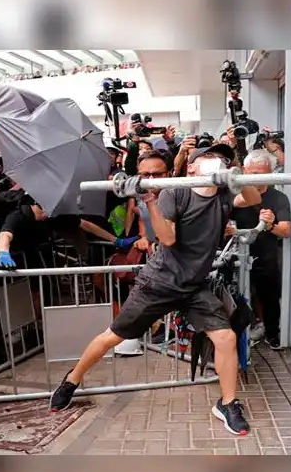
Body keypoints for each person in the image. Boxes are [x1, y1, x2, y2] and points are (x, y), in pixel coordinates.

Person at [48, 143, 263, 436]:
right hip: (159, 283)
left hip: (194, 286)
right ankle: (71, 380)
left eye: (220, 158)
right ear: (191, 168)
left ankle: (227, 403)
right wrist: (149, 200)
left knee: (225, 337)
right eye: (209, 157)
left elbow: (253, 198)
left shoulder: (224, 193)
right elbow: (168, 238)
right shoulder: (176, 193)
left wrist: (238, 176)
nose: (216, 161)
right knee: (113, 336)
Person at [226, 151, 291, 349]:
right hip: (234, 255)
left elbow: (286, 231)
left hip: (265, 255)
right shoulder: (232, 194)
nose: (257, 178)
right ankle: (235, 336)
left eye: (263, 174)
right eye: (253, 173)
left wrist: (270, 225)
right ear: (244, 171)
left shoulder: (278, 197)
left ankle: (272, 334)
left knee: (269, 297)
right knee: (233, 296)